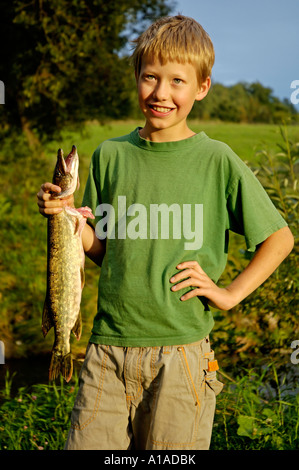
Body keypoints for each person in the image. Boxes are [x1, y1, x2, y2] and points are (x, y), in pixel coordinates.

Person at [37, 15, 294, 450]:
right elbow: (103, 250)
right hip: (107, 350)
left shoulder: (217, 160)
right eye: (150, 77)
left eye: (177, 81)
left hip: (182, 354)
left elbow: (280, 238)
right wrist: (68, 221)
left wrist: (229, 294)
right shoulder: (110, 156)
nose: (160, 93)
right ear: (136, 77)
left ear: (202, 87)